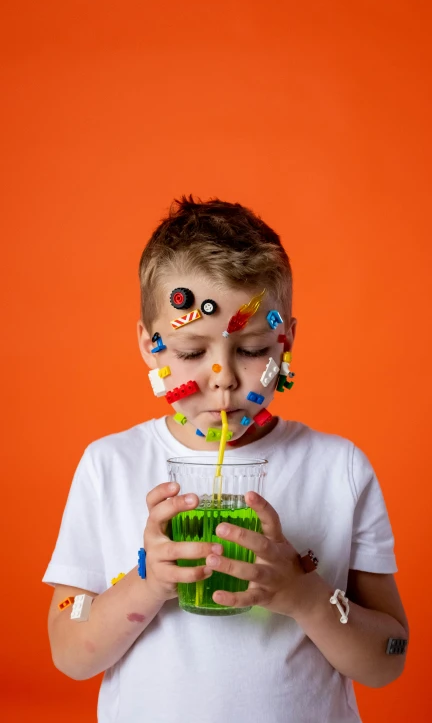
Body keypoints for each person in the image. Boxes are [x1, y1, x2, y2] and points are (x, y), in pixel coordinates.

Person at [43, 195, 409, 723]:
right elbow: (66, 643)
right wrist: (148, 583)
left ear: (287, 343)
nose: (224, 379)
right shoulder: (109, 466)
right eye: (192, 352)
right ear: (150, 348)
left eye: (254, 348)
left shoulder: (340, 469)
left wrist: (305, 596)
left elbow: (390, 656)